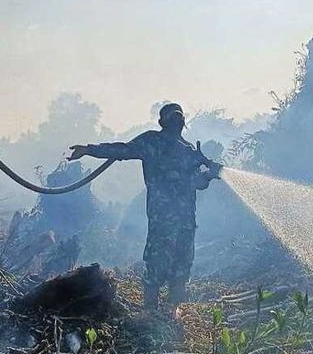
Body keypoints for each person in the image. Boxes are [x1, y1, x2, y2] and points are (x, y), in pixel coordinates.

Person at [68, 103, 221, 309]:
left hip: (186, 220)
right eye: (172, 118)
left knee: (182, 265)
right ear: (161, 122)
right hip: (162, 218)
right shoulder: (152, 141)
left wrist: (210, 174)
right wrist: (89, 150)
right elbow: (122, 150)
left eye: (179, 118)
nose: (177, 121)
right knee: (156, 263)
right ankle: (150, 310)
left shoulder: (190, 150)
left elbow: (197, 183)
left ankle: (173, 310)